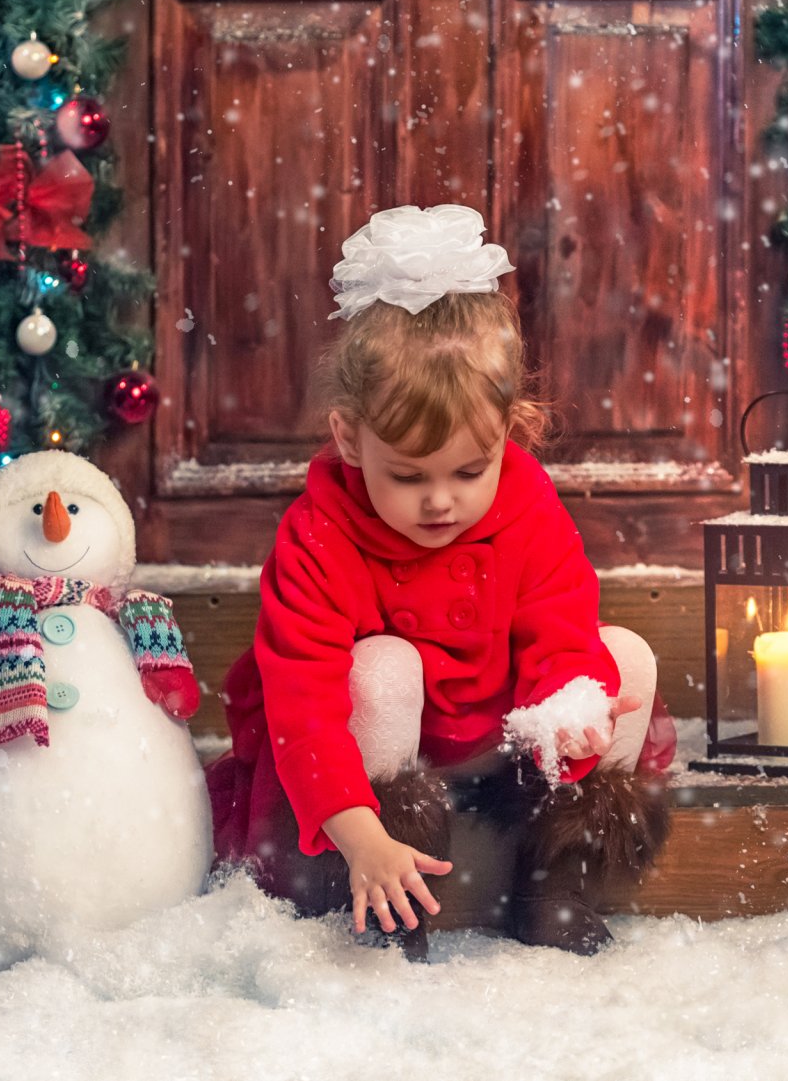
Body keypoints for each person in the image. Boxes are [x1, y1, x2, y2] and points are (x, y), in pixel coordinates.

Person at [207, 204, 673, 959]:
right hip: (388, 767)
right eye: (409, 474)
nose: (441, 500)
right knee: (383, 664)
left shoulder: (526, 504)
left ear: (508, 431)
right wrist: (357, 830)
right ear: (350, 438)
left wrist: (569, 717)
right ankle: (391, 896)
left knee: (625, 655)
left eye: (468, 470)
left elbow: (562, 625)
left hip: (500, 742)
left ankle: (557, 880)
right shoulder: (320, 533)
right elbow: (305, 706)